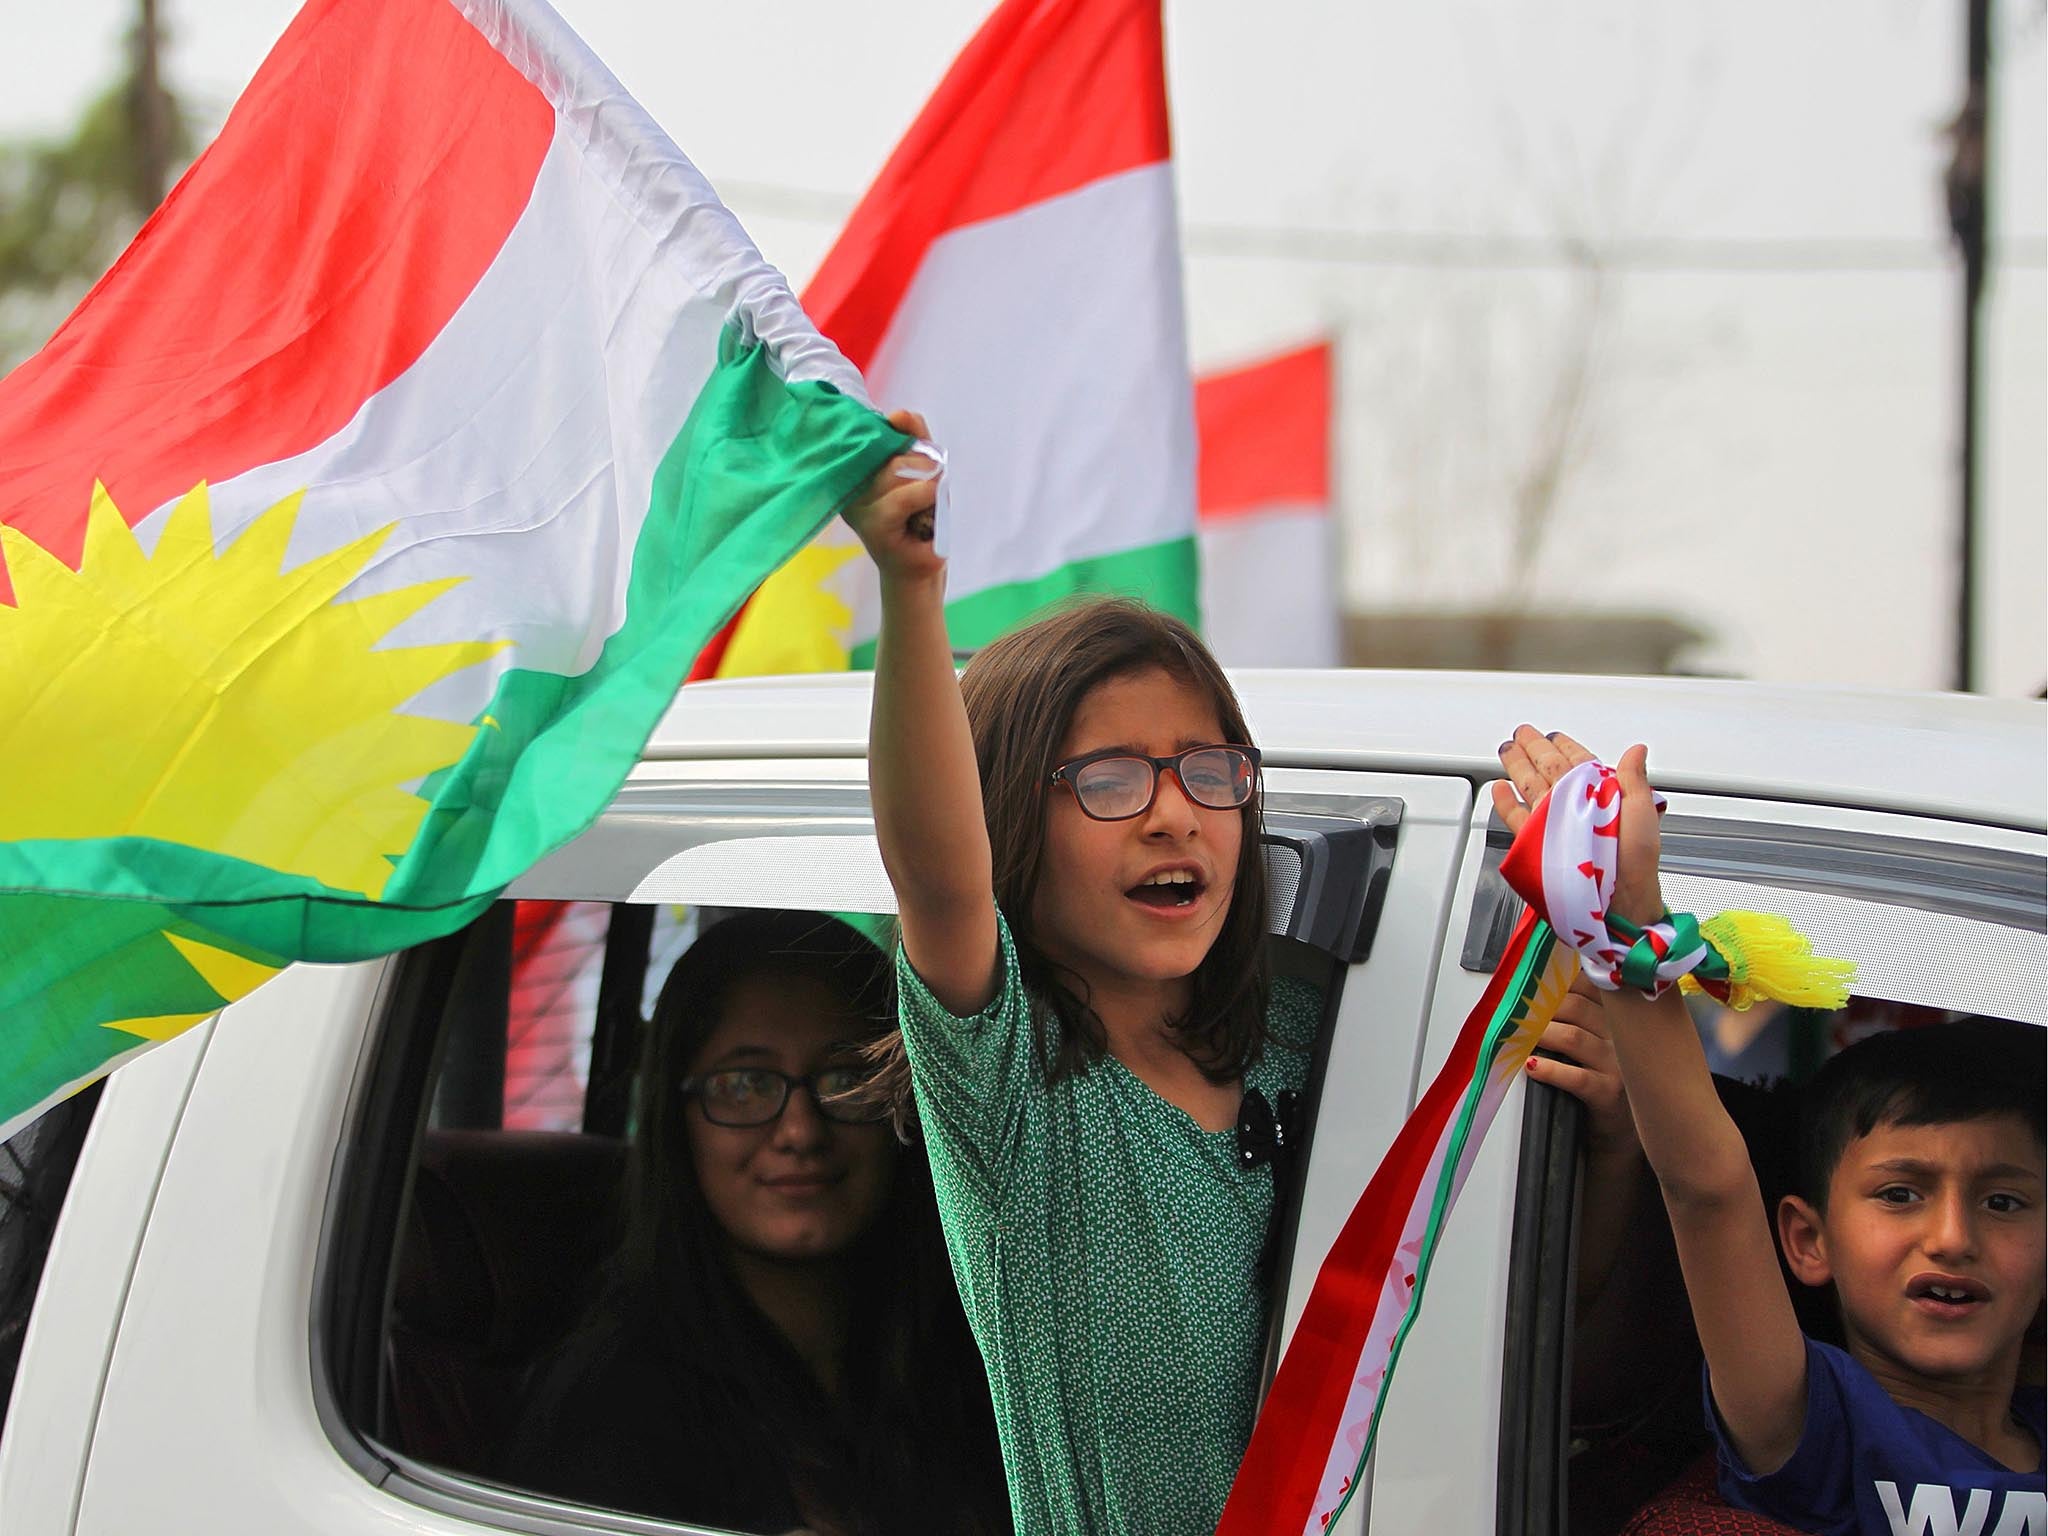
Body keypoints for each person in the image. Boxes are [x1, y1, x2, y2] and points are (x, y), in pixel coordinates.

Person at [844, 417, 1322, 1535]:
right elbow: (936, 877)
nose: (1172, 814)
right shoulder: (1013, 1089)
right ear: (1010, 815)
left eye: (1206, 772)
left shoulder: (1310, 1027)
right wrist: (908, 587)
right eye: (1109, 779)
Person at [1493, 726, 2046, 1534]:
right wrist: (1622, 921)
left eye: (2004, 1203)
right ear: (1805, 1239)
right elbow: (1708, 1188)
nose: (1953, 1237)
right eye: (1901, 1194)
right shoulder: (1811, 1424)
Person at [508, 908, 1010, 1536]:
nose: (800, 1131)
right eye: (744, 1085)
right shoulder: (609, 1410)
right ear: (677, 1112)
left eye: (847, 1078)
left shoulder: (983, 1363)